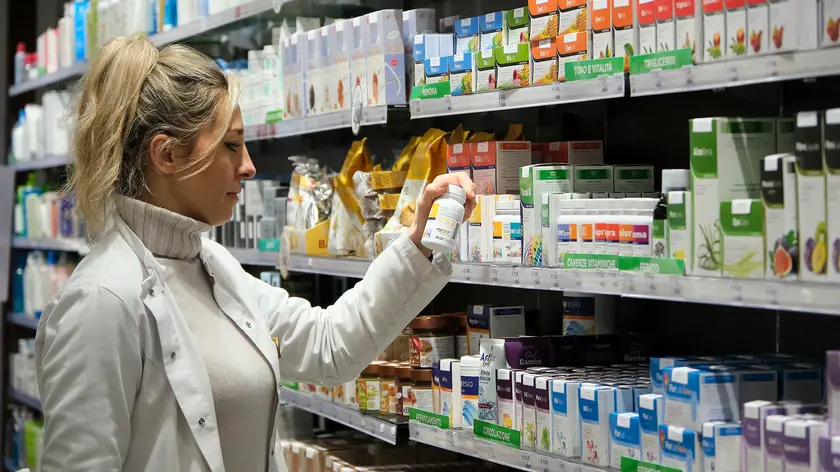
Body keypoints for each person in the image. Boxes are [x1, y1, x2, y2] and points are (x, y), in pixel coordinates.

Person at [34, 35, 476, 472]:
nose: (249, 165)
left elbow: (330, 345)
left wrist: (417, 243)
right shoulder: (101, 301)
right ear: (166, 154)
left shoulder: (212, 266)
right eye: (231, 145)